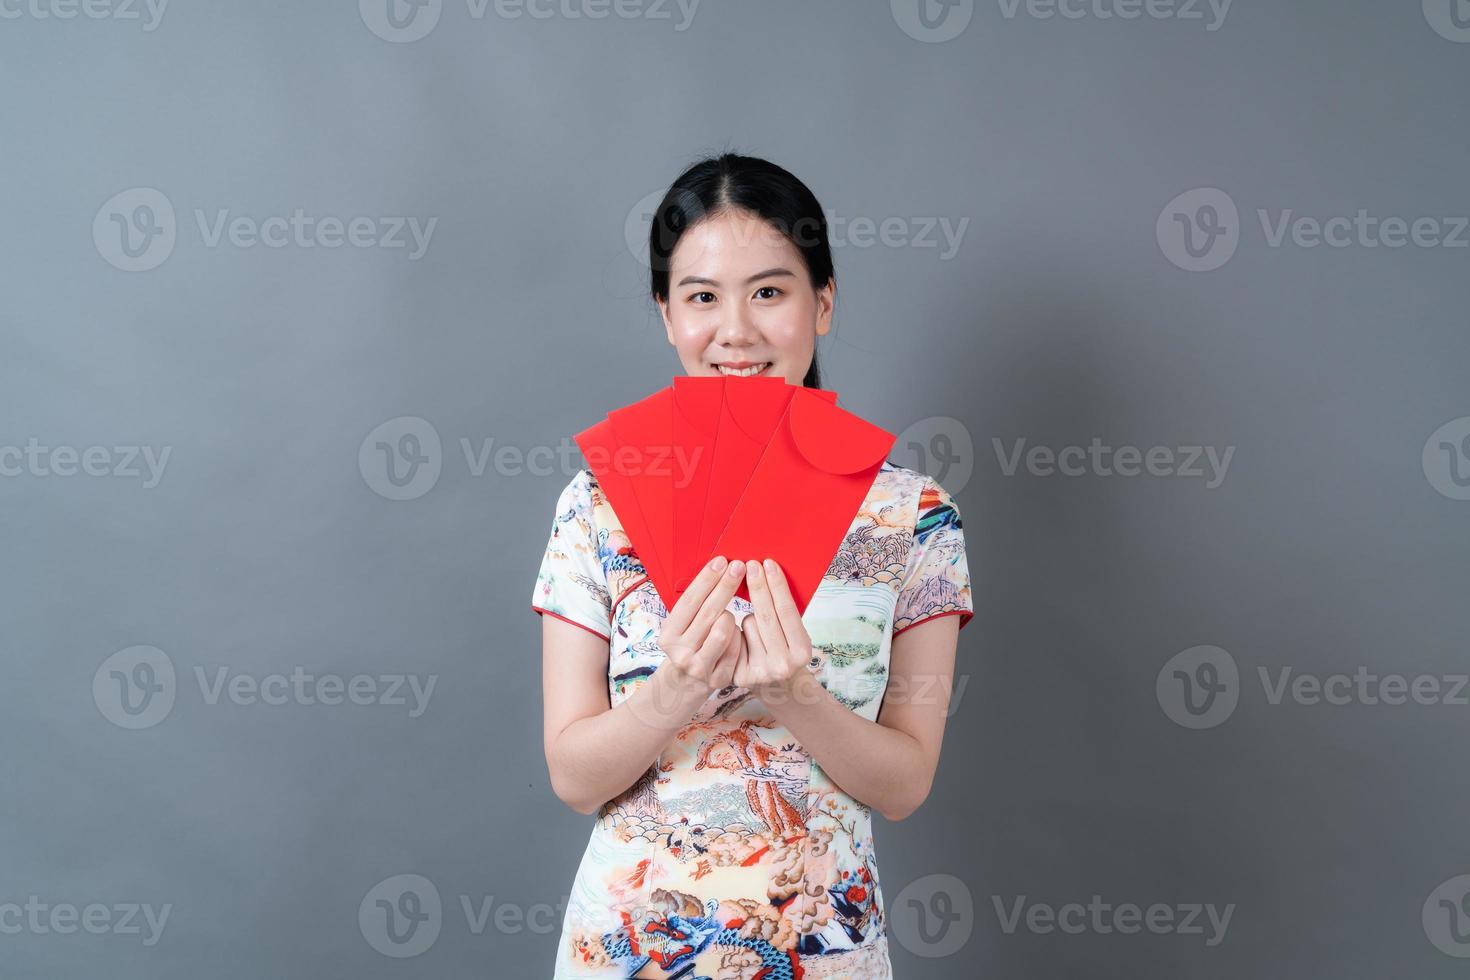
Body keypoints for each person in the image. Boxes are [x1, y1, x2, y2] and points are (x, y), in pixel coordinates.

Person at [531, 153, 974, 979]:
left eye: (769, 291)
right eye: (701, 296)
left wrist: (794, 694)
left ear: (824, 303)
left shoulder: (915, 516)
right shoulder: (597, 505)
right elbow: (573, 775)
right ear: (667, 314)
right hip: (630, 948)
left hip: (825, 948)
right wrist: (676, 690)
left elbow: (906, 782)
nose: (736, 331)